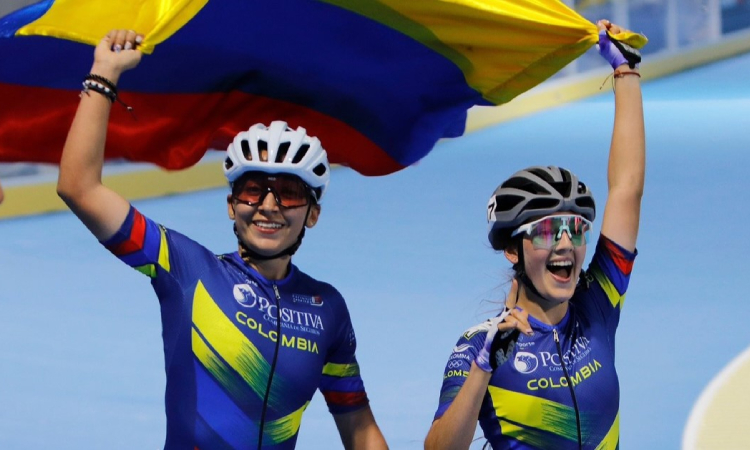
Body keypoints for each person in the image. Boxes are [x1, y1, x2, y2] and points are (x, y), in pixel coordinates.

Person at [57, 30, 388, 450]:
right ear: (232, 204)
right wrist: (103, 74)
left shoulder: (327, 309)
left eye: (288, 192)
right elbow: (79, 187)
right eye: (253, 190)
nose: (268, 206)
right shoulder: (185, 268)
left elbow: (359, 427)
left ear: (313, 213)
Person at [424, 20, 644, 450]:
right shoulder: (479, 347)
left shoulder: (598, 304)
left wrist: (627, 73)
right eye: (545, 231)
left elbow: (627, 188)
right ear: (512, 249)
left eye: (575, 229)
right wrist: (483, 369)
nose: (564, 243)